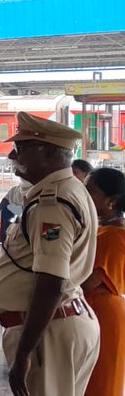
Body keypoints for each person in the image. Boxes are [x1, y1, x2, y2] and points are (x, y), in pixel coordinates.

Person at [0, 112, 98, 396]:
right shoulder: (68, 189)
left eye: (21, 148)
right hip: (58, 322)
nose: (12, 154)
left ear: (48, 152)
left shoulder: (52, 203)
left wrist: (24, 352)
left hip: (46, 333)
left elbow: (51, 280)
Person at [82, 167, 125, 396]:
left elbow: (88, 282)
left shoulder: (113, 235)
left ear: (112, 200)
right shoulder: (101, 229)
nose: (84, 193)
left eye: (92, 191)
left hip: (103, 313)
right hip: (92, 309)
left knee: (101, 382)